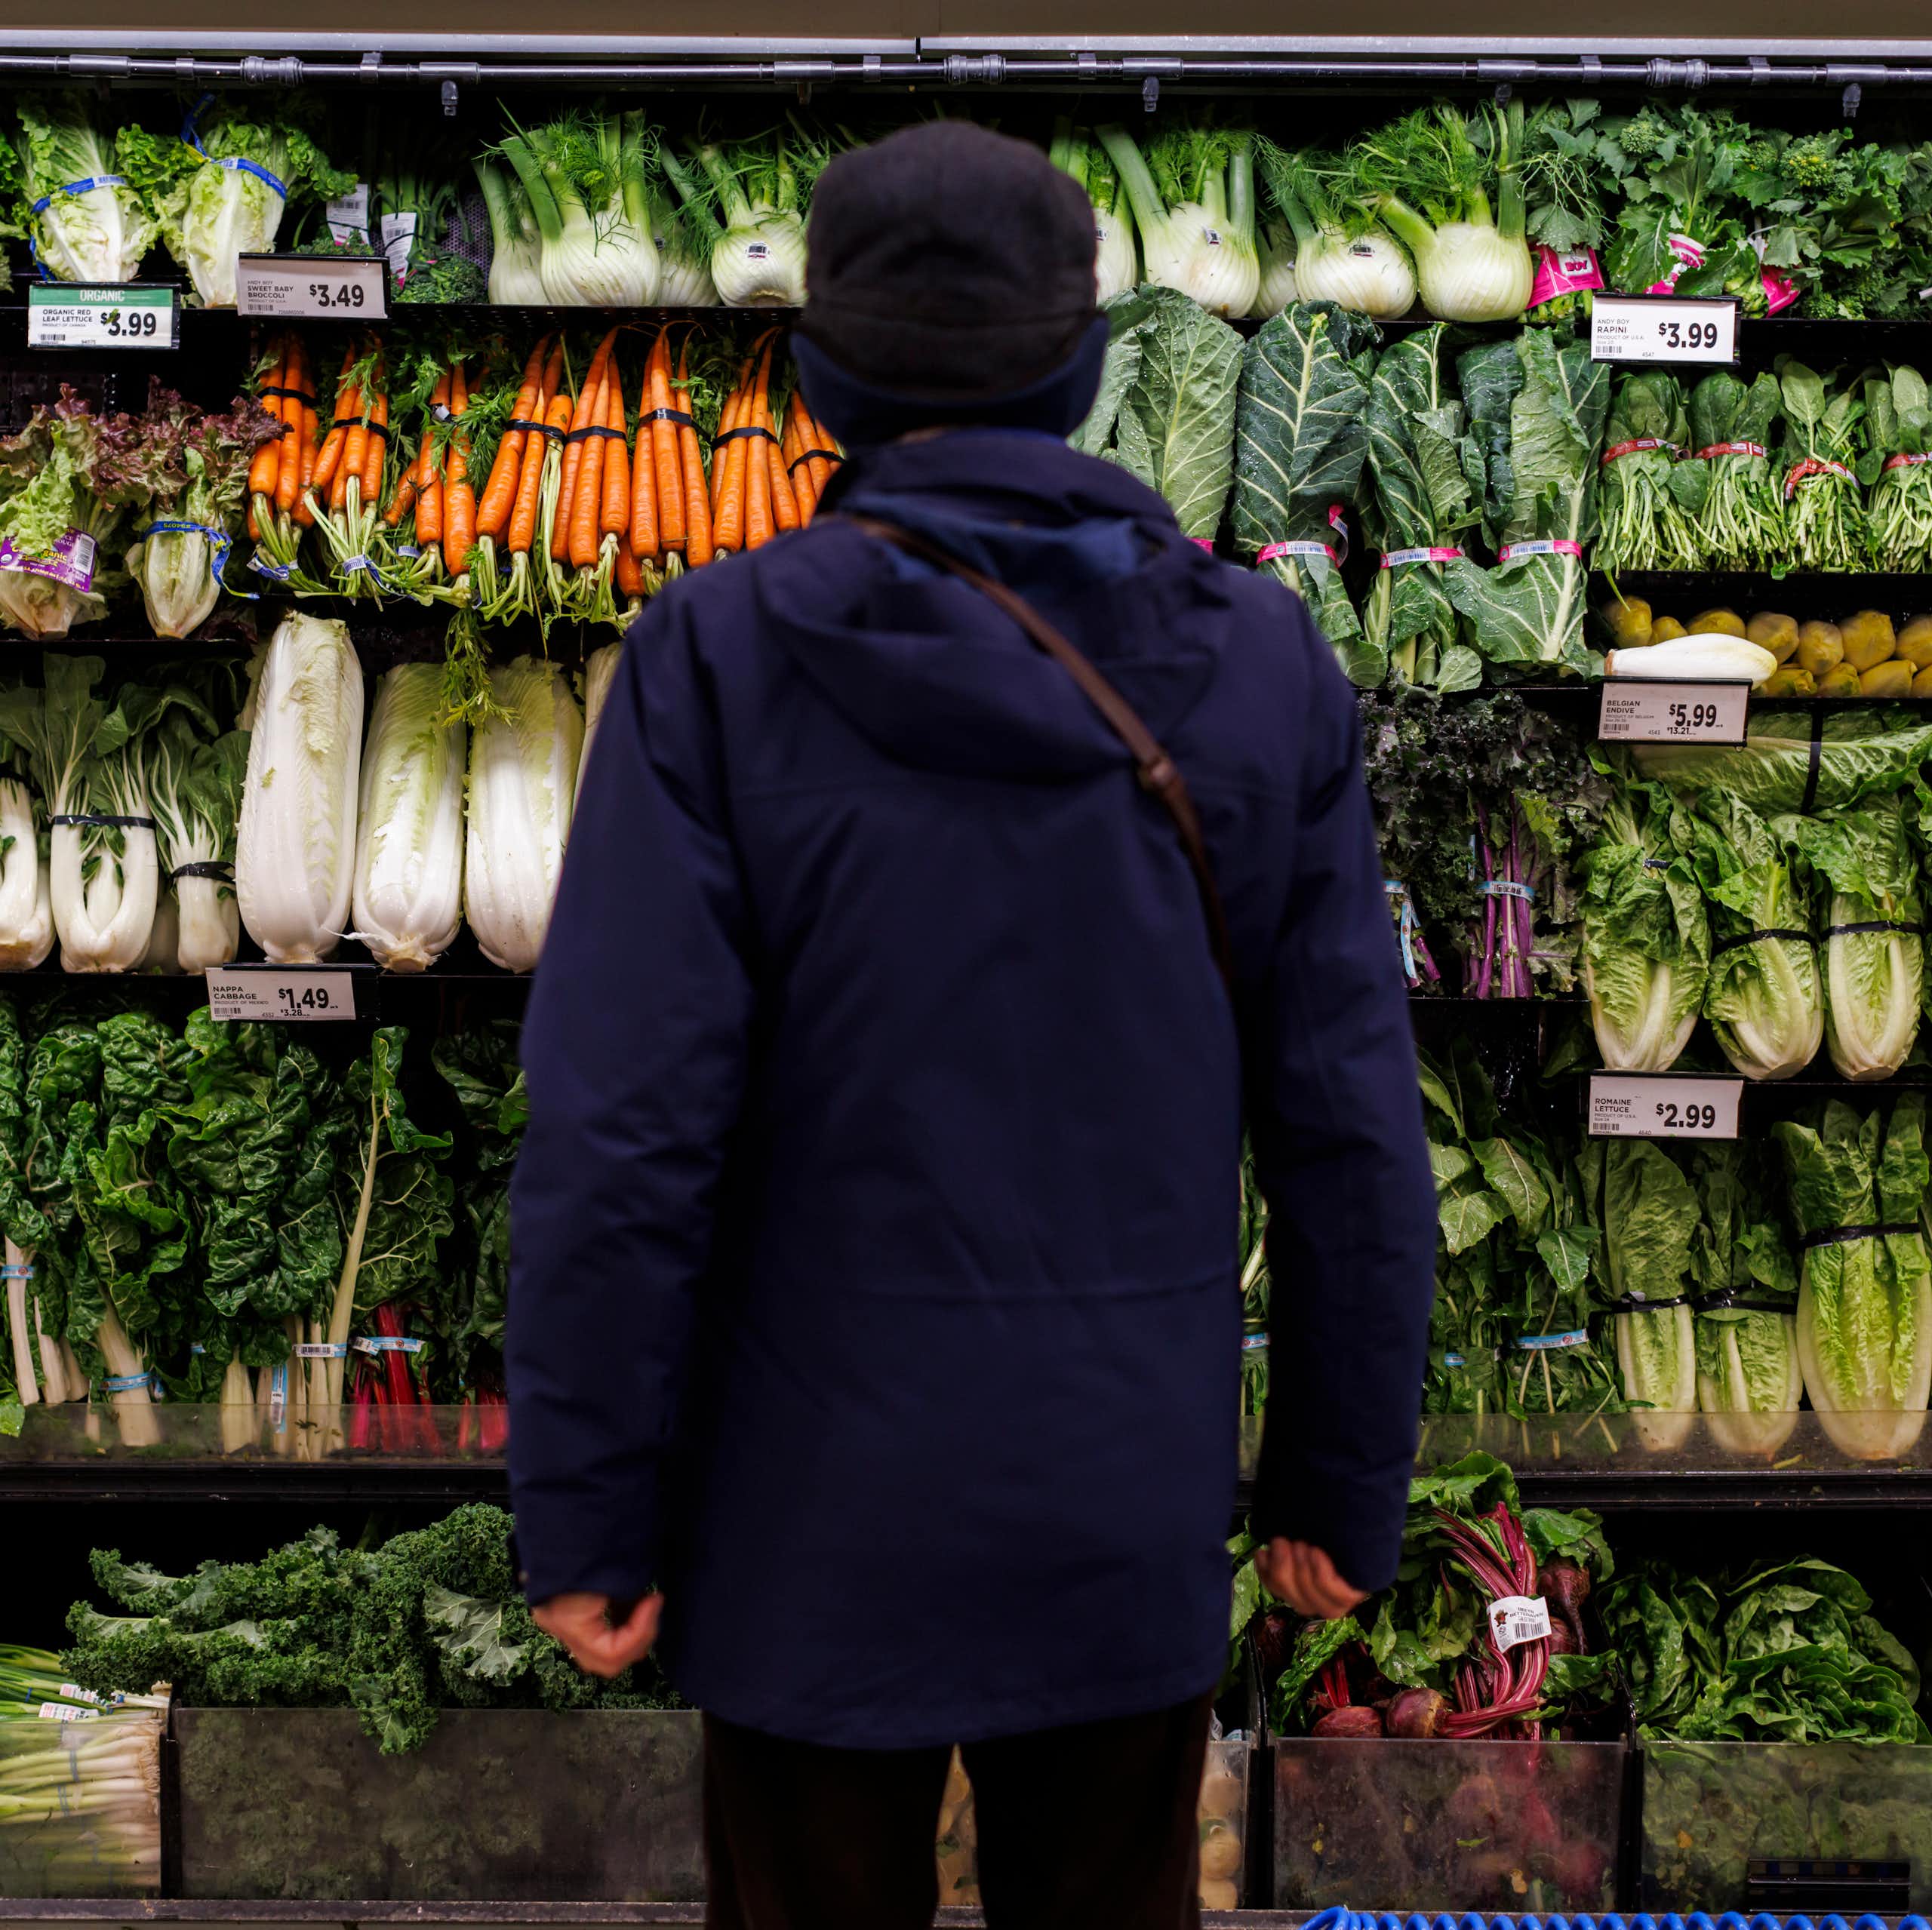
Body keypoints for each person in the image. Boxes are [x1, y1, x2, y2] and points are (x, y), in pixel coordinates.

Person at [507, 120, 1435, 1930]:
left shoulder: (712, 651)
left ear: (815, 376)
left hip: (802, 1499)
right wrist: (1338, 1469)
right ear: (1087, 372)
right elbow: (1343, 1115)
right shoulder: (1256, 662)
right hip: (1118, 1488)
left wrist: (591, 1503)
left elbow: (622, 1126)